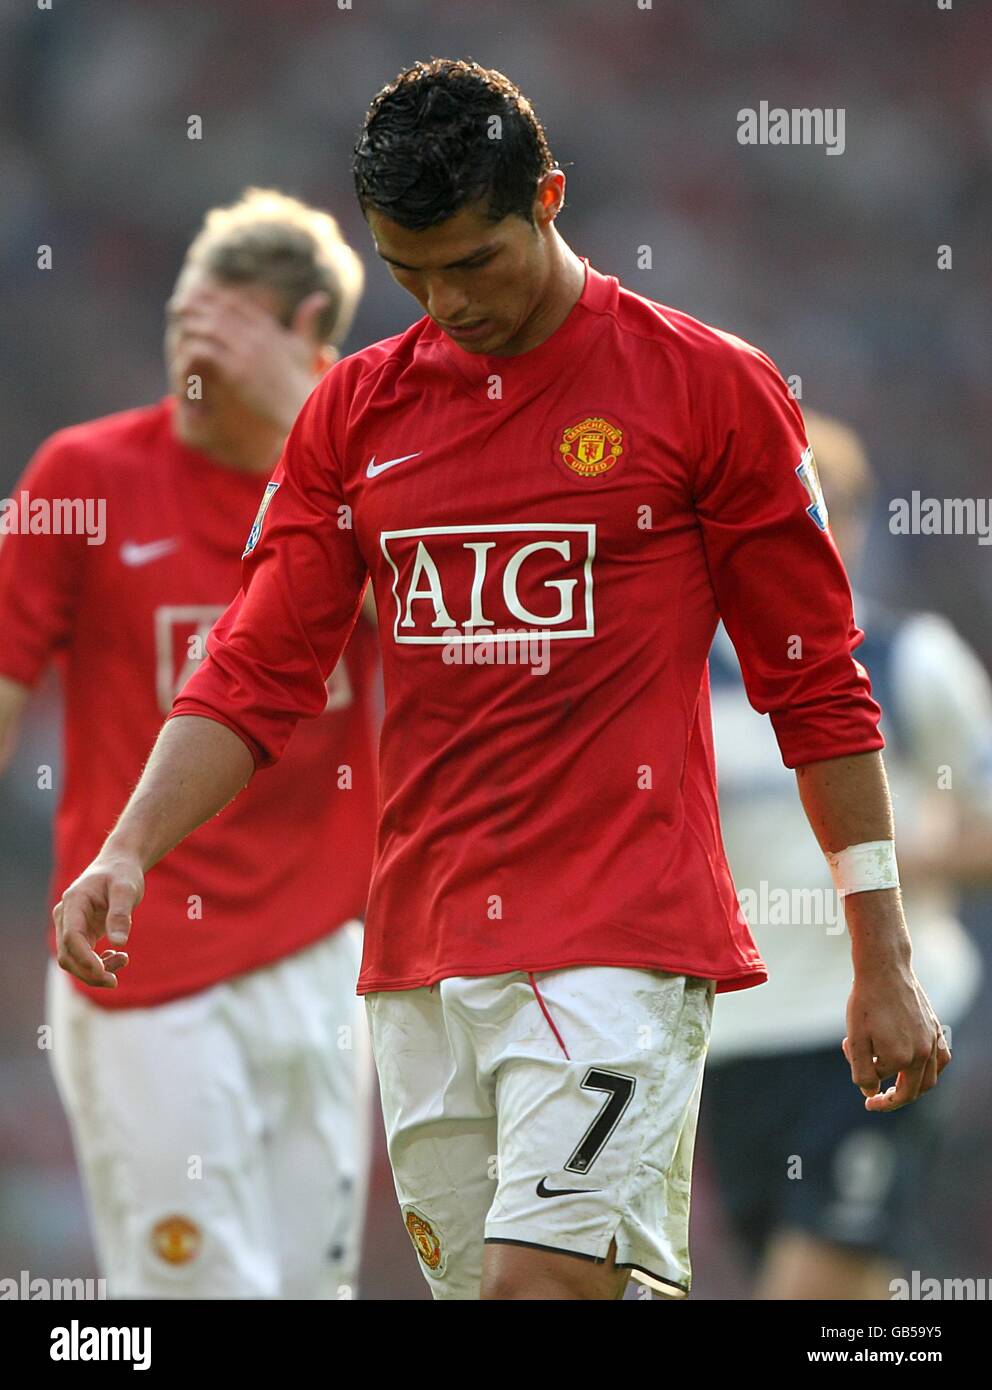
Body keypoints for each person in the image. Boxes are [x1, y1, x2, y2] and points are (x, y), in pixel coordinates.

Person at [52, 60, 949, 1303]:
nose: (444, 303)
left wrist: (880, 948)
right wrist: (130, 848)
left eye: (471, 263)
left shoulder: (708, 390)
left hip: (616, 939)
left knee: (541, 1289)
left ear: (548, 198)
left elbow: (813, 680)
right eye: (408, 273)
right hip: (421, 949)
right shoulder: (353, 417)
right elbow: (257, 667)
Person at [0, 188, 379, 1299]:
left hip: (323, 948)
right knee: (196, 1287)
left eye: (222, 333)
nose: (189, 357)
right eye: (178, 325)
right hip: (140, 955)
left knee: (311, 1286)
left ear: (309, 334)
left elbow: (453, 646)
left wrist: (300, 429)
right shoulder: (82, 475)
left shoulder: (370, 488)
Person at [702, 409, 992, 1299]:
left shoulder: (911, 660)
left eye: (829, 515)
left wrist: (908, 861)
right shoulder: (678, 685)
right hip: (732, 1043)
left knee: (813, 1283)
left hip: (881, 1028)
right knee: (838, 1298)